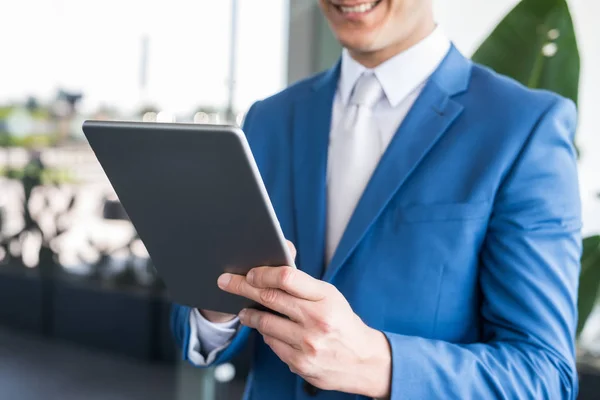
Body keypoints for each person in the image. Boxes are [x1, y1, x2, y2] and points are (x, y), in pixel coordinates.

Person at [172, 0, 581, 398]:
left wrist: (376, 365)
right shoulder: (270, 117)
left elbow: (544, 376)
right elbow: (199, 329)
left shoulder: (523, 126)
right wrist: (219, 306)